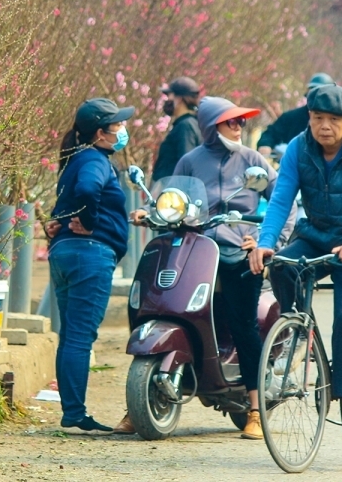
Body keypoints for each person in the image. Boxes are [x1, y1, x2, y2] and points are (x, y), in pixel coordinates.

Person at [118, 97, 278, 438]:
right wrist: (150, 210)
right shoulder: (191, 160)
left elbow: (282, 201)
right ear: (210, 126)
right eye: (230, 122)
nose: (238, 127)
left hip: (238, 252)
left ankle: (254, 407)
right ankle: (138, 403)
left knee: (243, 324)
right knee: (165, 303)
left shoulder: (253, 160)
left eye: (240, 122)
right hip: (197, 248)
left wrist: (265, 238)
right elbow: (173, 196)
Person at [249, 84, 342, 444]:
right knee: (281, 265)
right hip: (316, 235)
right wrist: (265, 245)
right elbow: (282, 200)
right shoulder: (299, 147)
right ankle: (298, 334)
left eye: (332, 120)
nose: (323, 126)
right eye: (316, 119)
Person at [45, 97, 135, 434]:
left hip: (66, 254)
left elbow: (66, 203)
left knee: (70, 335)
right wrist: (91, 219)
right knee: (80, 337)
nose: (123, 130)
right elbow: (87, 191)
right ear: (100, 132)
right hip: (90, 255)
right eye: (118, 126)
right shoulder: (95, 161)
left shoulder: (75, 159)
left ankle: (72, 412)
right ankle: (76, 415)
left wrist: (65, 221)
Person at [257, 73, 334, 158]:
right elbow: (271, 133)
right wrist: (265, 144)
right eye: (313, 92)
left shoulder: (340, 119)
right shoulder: (291, 117)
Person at [151, 76, 202, 183]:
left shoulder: (185, 126)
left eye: (169, 95)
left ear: (179, 99)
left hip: (175, 195)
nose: (167, 100)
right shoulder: (187, 124)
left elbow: (186, 166)